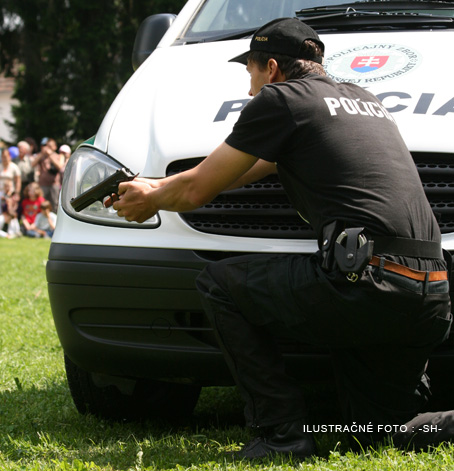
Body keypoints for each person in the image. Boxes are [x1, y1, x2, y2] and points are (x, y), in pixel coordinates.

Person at [109, 18, 453, 458]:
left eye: (249, 72)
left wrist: (151, 202)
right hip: (430, 291)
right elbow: (242, 170)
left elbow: (196, 190)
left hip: (370, 285)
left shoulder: (280, 99)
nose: (249, 88)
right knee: (379, 431)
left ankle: (280, 434)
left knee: (220, 285)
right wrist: (153, 186)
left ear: (271, 67)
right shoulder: (360, 99)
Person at [32, 137, 64, 211]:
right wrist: (41, 154)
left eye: (50, 146)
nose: (48, 148)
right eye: (46, 146)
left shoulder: (58, 156)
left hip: (54, 184)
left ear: (55, 147)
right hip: (43, 184)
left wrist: (50, 155)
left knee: (54, 204)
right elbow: (32, 164)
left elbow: (60, 167)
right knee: (42, 203)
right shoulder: (41, 156)